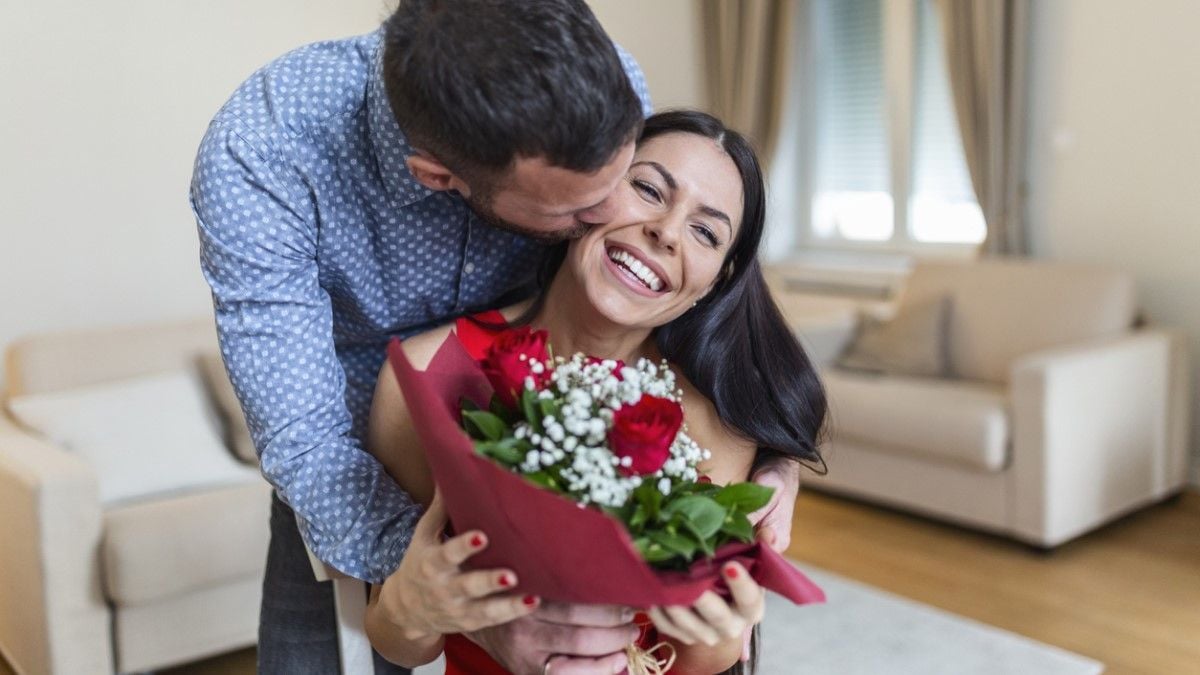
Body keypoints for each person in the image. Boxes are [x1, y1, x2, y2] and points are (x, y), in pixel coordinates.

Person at [191, 0, 803, 671]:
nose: (621, 217)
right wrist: (484, 604)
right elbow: (310, 450)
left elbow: (704, 297)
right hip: (350, 463)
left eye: (621, 180)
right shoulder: (264, 152)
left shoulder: (604, 92)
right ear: (440, 177)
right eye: (580, 206)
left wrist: (768, 452)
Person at [365, 110, 829, 675]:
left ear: (718, 281)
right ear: (589, 190)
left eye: (705, 232)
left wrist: (718, 639)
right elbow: (395, 640)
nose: (666, 230)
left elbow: (695, 662)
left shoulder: (715, 419)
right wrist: (416, 606)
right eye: (648, 188)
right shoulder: (426, 373)